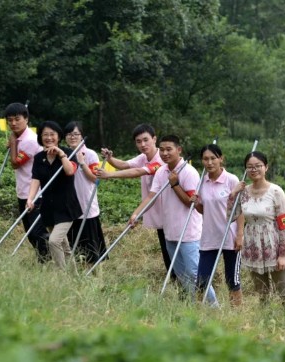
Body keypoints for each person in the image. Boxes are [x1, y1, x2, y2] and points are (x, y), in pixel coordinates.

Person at [129, 135, 216, 304]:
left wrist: (175, 184)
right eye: (162, 150)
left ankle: (214, 307)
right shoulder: (161, 171)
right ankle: (193, 307)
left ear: (179, 150)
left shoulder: (189, 172)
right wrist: (136, 214)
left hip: (189, 234)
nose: (165, 153)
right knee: (182, 276)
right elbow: (151, 196)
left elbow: (190, 203)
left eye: (169, 149)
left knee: (196, 274)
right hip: (170, 233)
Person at [97, 123, 175, 279]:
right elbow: (125, 165)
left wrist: (109, 175)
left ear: (154, 139)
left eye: (146, 140)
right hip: (158, 211)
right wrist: (110, 158)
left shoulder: (161, 159)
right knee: (166, 248)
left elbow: (138, 171)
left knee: (173, 249)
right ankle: (173, 279)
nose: (143, 144)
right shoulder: (143, 157)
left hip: (171, 211)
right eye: (139, 141)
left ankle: (181, 279)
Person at [228, 151, 285, 316]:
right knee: (262, 293)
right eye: (250, 167)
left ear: (266, 167)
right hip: (253, 247)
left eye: (258, 166)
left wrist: (283, 254)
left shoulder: (276, 191)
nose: (254, 170)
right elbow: (230, 216)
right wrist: (233, 194)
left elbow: (284, 224)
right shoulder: (244, 193)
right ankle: (265, 323)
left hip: (274, 245)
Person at [191, 144, 244, 307]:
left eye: (213, 158)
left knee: (232, 280)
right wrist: (196, 204)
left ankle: (237, 315)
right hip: (209, 237)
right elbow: (204, 210)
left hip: (230, 237)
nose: (209, 162)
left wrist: (240, 235)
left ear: (221, 159)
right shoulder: (202, 182)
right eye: (205, 159)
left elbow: (240, 210)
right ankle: (199, 313)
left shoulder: (231, 180)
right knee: (202, 280)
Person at [26, 121, 82, 268]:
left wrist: (61, 155)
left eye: (52, 134)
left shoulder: (69, 153)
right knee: (63, 245)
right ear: (40, 137)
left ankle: (61, 275)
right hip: (49, 208)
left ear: (59, 137)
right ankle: (74, 277)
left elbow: (70, 171)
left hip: (66, 207)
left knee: (54, 241)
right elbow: (36, 179)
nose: (49, 138)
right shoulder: (39, 158)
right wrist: (30, 199)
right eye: (45, 134)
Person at [5, 102, 50, 262]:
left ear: (26, 119)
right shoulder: (19, 138)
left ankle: (48, 261)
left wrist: (13, 143)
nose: (13, 123)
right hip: (23, 192)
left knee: (37, 231)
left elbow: (15, 163)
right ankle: (44, 260)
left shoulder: (30, 140)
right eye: (10, 120)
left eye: (17, 119)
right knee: (30, 232)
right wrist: (14, 143)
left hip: (36, 194)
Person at [63, 121, 108, 264]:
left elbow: (96, 179)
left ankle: (96, 273)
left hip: (86, 206)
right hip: (70, 207)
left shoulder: (90, 154)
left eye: (76, 134)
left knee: (92, 249)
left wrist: (82, 163)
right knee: (74, 248)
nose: (72, 137)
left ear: (82, 136)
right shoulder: (64, 155)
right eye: (69, 134)